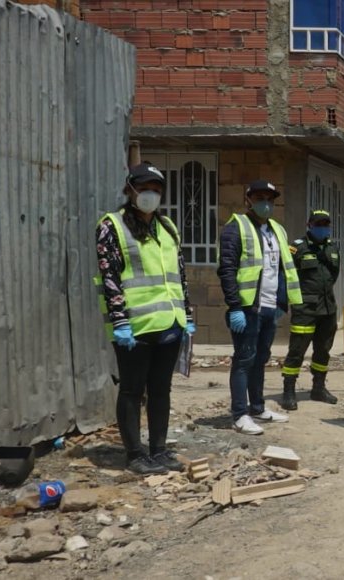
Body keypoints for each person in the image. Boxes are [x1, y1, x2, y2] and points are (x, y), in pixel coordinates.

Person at [96, 163, 194, 475]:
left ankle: (159, 450)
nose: (150, 194)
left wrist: (187, 315)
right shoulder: (112, 226)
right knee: (132, 390)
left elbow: (179, 274)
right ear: (130, 190)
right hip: (134, 327)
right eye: (144, 187)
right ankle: (135, 454)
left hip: (169, 323)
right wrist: (120, 321)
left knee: (161, 389)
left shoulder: (167, 228)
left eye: (156, 188)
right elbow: (109, 276)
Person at [218, 180, 302, 435]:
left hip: (269, 307)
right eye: (259, 197)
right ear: (248, 199)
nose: (265, 203)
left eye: (269, 198)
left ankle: (257, 407)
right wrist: (234, 306)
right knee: (244, 359)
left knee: (261, 359)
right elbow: (227, 270)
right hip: (247, 308)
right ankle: (239, 414)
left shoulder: (277, 229)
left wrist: (282, 302)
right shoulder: (236, 228)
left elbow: (283, 268)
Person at [279, 210, 341, 411]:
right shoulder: (297, 248)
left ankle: (318, 388)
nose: (322, 227)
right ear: (309, 225)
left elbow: (334, 274)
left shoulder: (332, 248)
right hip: (305, 308)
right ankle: (288, 390)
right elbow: (287, 275)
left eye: (326, 224)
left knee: (323, 350)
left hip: (328, 308)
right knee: (297, 350)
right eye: (318, 224)